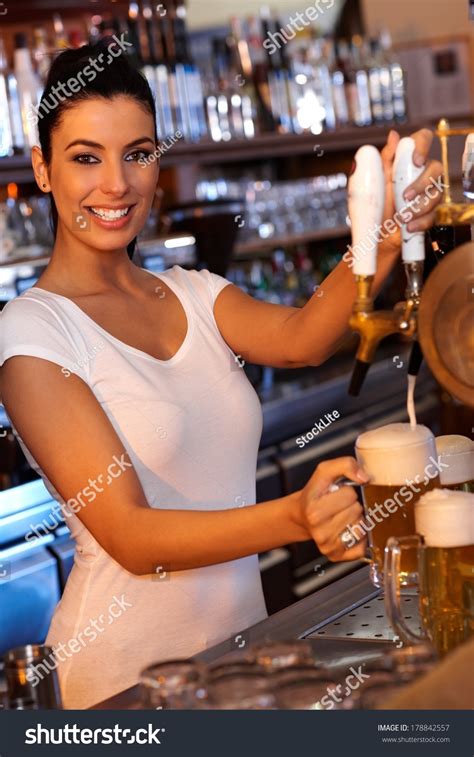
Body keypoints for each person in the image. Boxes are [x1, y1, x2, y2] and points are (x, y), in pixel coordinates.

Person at [0, 38, 443, 708]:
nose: (116, 184)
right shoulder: (33, 330)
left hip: (243, 656)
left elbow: (302, 338)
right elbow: (131, 534)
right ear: (42, 167)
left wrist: (379, 237)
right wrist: (296, 515)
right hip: (126, 684)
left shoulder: (190, 292)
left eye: (138, 154)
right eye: (85, 157)